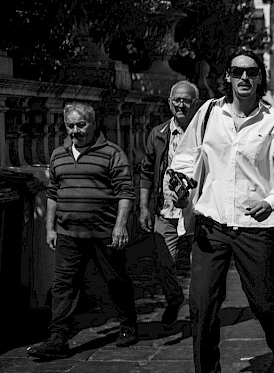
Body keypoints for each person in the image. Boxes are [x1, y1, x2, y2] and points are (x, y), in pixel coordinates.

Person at [167, 48, 274, 373]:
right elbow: (186, 155)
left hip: (253, 225)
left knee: (263, 303)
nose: (244, 78)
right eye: (237, 71)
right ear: (227, 76)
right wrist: (179, 181)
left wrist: (272, 200)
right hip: (211, 224)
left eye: (252, 72)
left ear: (261, 78)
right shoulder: (209, 113)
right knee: (202, 306)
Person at [28, 102, 137, 358]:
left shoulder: (112, 153)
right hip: (68, 233)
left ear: (93, 124)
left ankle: (128, 325)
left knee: (115, 280)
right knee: (63, 286)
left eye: (81, 125)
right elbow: (53, 192)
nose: (75, 131)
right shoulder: (58, 154)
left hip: (103, 231)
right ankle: (58, 338)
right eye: (70, 126)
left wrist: (120, 226)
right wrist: (50, 227)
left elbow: (125, 191)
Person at [138, 80, 200, 326]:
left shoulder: (204, 134)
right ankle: (174, 298)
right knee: (163, 261)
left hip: (198, 211)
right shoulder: (158, 134)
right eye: (177, 100)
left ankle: (200, 311)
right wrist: (143, 207)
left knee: (201, 266)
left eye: (186, 100)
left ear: (196, 104)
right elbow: (145, 172)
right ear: (169, 103)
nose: (181, 104)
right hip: (166, 210)